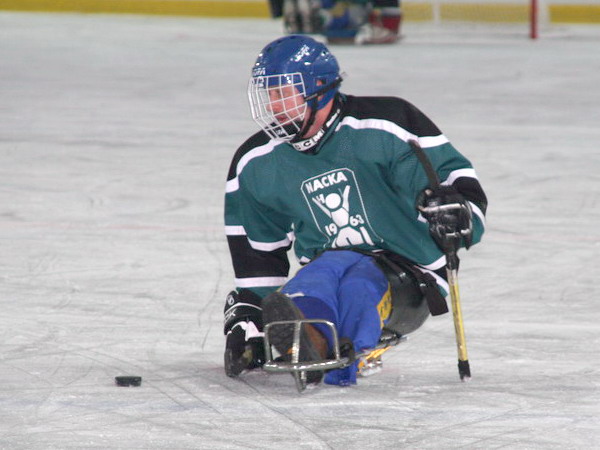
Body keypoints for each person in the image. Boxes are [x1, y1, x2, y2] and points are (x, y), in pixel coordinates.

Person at [223, 35, 487, 386]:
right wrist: (251, 316)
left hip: (409, 269)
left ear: (319, 89)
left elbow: (455, 183)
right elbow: (259, 250)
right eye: (269, 95)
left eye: (283, 93)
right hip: (327, 261)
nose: (274, 106)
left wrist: (457, 213)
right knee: (315, 280)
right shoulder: (254, 163)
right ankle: (307, 338)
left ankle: (331, 353)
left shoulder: (386, 124)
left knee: (360, 286)